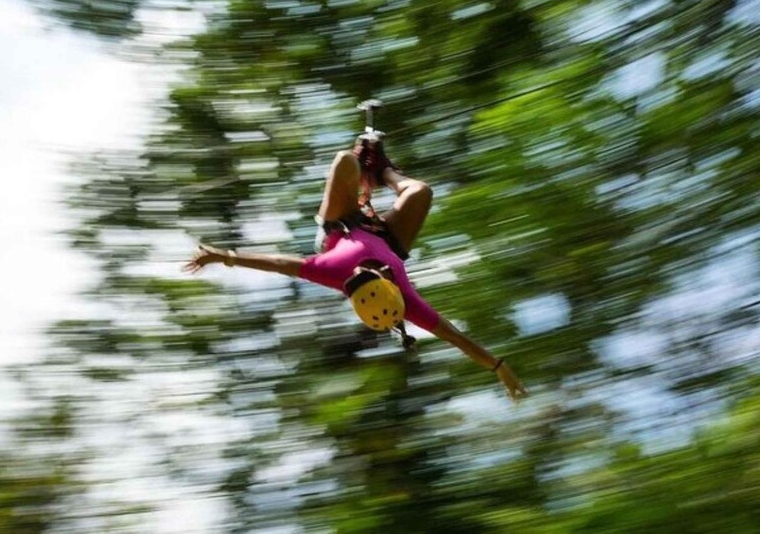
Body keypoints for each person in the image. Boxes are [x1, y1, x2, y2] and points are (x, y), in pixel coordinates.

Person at [184, 133, 528, 400]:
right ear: (388, 282)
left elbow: (279, 264)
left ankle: (365, 170)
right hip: (389, 240)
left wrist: (225, 256)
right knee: (421, 192)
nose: (357, 274)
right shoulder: (407, 301)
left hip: (340, 224)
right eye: (366, 278)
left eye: (354, 283)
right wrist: (498, 367)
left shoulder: (334, 271)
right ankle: (383, 171)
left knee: (345, 161)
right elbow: (454, 336)